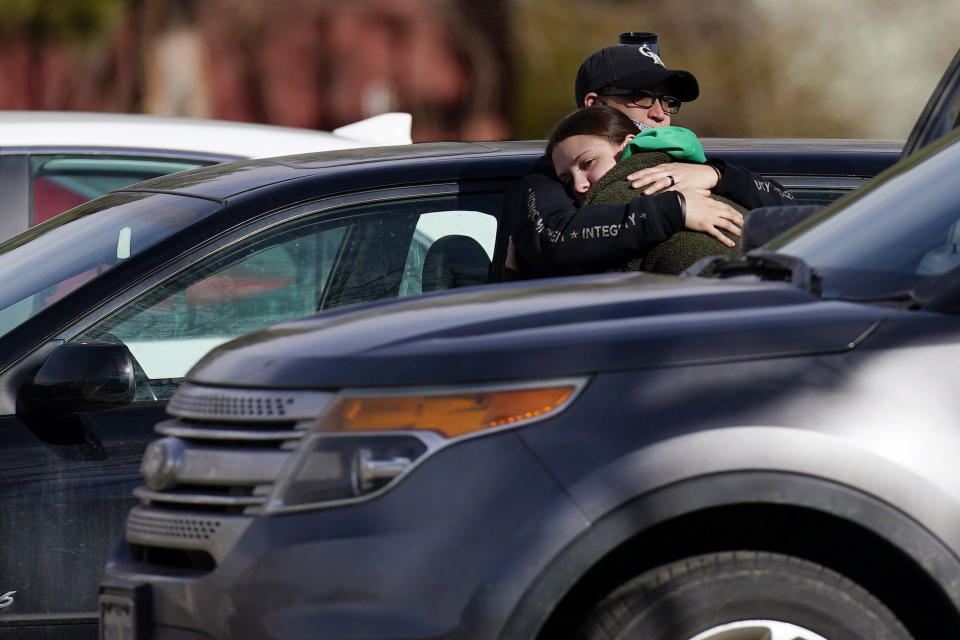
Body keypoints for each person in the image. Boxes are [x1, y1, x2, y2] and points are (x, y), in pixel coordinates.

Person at [508, 38, 794, 279]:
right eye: (641, 97)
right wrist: (675, 210)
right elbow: (555, 240)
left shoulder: (689, 164)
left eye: (666, 100)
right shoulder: (552, 174)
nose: (659, 113)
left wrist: (719, 176)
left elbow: (801, 216)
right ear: (594, 106)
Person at [548, 105, 748, 274]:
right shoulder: (707, 180)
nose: (578, 185)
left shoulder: (612, 199)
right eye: (567, 180)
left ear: (626, 145)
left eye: (588, 163)